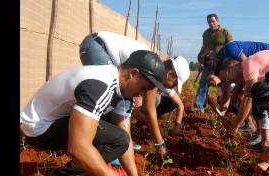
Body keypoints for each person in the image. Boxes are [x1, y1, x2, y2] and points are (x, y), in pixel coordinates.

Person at [20, 50, 165, 176]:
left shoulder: (124, 95)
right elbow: (78, 148)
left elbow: (125, 140)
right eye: (144, 88)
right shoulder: (100, 85)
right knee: (99, 143)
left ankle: (85, 170)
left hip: (57, 122)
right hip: (38, 128)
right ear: (133, 73)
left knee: (120, 139)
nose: (143, 94)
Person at [79, 31, 190, 163]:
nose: (172, 88)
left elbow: (140, 108)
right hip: (96, 45)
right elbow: (149, 110)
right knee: (107, 96)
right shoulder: (152, 69)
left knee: (121, 102)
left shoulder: (157, 72)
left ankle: (116, 146)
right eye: (175, 84)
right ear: (170, 74)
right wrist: (159, 143)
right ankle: (94, 149)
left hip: (97, 45)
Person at [206, 41, 269, 133]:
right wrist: (222, 114)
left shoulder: (230, 49)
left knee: (254, 97)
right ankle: (251, 126)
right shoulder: (223, 67)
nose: (208, 65)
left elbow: (247, 63)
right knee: (239, 96)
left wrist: (235, 125)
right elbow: (227, 95)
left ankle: (260, 132)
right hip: (253, 67)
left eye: (208, 61)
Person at [193, 13, 233, 112]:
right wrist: (201, 59)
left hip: (222, 63)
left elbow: (231, 46)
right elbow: (204, 47)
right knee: (203, 83)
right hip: (209, 62)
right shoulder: (206, 33)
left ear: (217, 21)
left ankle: (227, 108)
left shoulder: (225, 32)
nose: (211, 23)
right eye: (209, 22)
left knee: (224, 86)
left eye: (213, 21)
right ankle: (199, 106)